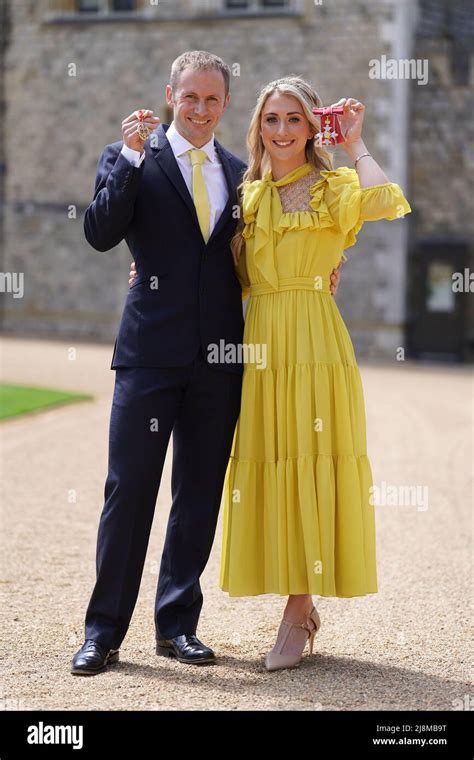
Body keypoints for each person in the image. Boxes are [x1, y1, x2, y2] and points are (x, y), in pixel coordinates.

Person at [71, 50, 344, 676]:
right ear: (171, 95)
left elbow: (286, 233)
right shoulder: (128, 158)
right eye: (189, 98)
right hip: (148, 357)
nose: (199, 109)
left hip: (219, 361)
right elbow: (99, 231)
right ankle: (103, 632)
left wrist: (328, 263)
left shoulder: (242, 174)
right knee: (129, 492)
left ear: (226, 105)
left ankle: (177, 626)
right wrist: (133, 158)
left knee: (197, 497)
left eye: (212, 100)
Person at [216, 77, 411, 671]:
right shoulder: (246, 198)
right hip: (261, 346)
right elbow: (226, 275)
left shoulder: (334, 187)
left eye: (293, 120)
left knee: (311, 460)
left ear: (310, 127)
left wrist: (355, 142)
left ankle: (298, 611)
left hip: (317, 343)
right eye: (271, 120)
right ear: (259, 128)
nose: (281, 131)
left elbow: (387, 200)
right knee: (272, 466)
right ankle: (295, 599)